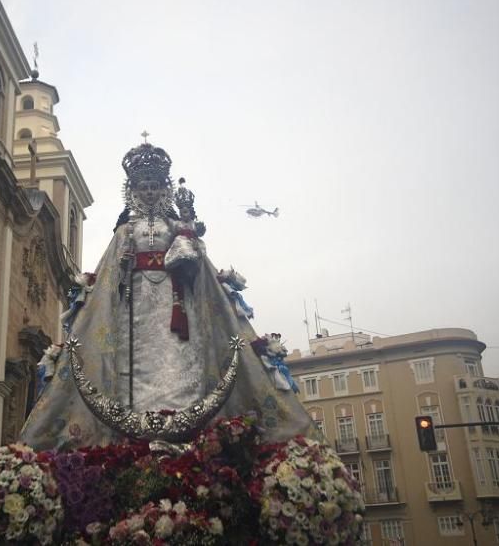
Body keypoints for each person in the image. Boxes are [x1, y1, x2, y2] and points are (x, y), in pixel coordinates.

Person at [20, 140, 315, 449]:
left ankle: (186, 421)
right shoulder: (124, 231)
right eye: (143, 186)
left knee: (183, 364)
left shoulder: (176, 225)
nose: (148, 192)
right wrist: (123, 267)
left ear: (164, 189)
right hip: (134, 312)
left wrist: (187, 241)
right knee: (130, 366)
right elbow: (109, 277)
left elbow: (194, 263)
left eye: (154, 186)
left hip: (178, 307)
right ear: (133, 191)